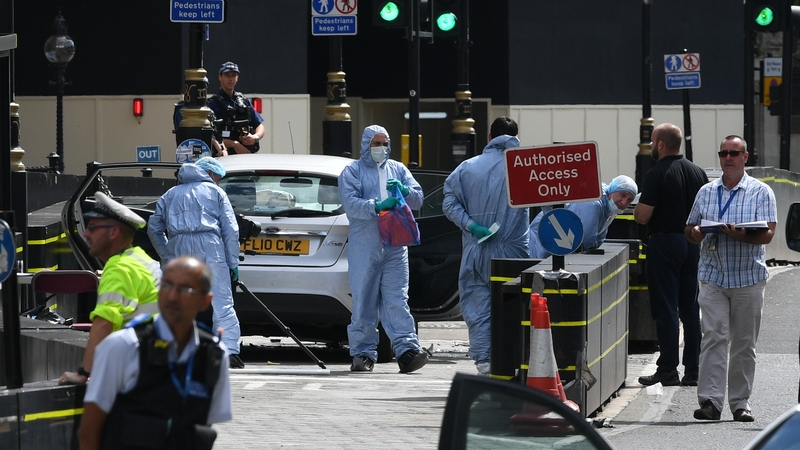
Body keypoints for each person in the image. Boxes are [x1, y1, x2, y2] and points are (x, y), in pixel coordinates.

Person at [78, 256, 232, 450]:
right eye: (166, 285)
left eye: (185, 289)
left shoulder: (214, 355)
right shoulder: (123, 346)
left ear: (205, 301)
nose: (172, 296)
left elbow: (203, 428)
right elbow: (88, 432)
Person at [685, 135, 777, 422]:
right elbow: (690, 228)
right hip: (712, 275)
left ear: (745, 157)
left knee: (743, 343)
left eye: (734, 153)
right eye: (723, 153)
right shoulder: (706, 191)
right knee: (714, 337)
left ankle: (740, 403)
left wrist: (740, 235)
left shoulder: (761, 192)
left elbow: (768, 233)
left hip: (748, 276)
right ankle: (710, 402)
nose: (728, 158)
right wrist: (696, 233)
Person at [338, 124, 429, 373]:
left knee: (397, 298)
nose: (381, 148)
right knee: (363, 299)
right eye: (376, 144)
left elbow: (418, 198)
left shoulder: (398, 169)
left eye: (385, 143)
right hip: (365, 246)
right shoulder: (352, 171)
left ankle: (407, 350)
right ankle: (362, 353)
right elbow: (351, 205)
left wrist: (405, 191)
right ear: (366, 145)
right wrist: (377, 206)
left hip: (395, 245)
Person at [442, 116, 530, 375]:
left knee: (478, 307)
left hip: (477, 248)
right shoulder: (524, 167)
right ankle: (512, 362)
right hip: (513, 252)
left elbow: (449, 203)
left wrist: (471, 225)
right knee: (514, 307)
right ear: (516, 138)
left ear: (490, 137)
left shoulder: (467, 168)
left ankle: (484, 363)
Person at [147, 157, 243, 368]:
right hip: (210, 245)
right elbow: (231, 230)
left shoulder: (170, 194)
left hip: (177, 245)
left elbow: (153, 228)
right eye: (217, 177)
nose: (218, 181)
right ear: (209, 173)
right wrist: (232, 262)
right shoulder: (216, 193)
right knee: (222, 302)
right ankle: (227, 352)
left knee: (177, 300)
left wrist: (166, 254)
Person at [633, 123, 709, 387]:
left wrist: (636, 211)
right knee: (690, 309)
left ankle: (667, 369)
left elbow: (643, 215)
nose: (651, 146)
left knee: (666, 308)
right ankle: (693, 370)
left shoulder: (656, 174)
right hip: (692, 243)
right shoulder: (698, 172)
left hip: (664, 243)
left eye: (653, 142)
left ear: (661, 144)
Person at [59, 192, 161, 385]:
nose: (86, 234)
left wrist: (83, 373)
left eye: (92, 227)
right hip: (155, 366)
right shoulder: (141, 259)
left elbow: (104, 323)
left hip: (133, 373)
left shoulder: (118, 268)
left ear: (113, 232)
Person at [528, 175, 638, 258]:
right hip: (541, 244)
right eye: (622, 195)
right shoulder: (593, 202)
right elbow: (584, 240)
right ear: (612, 191)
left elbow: (597, 241)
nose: (624, 202)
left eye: (629, 200)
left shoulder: (608, 207)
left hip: (556, 249)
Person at [207, 61, 265, 155]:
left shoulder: (243, 100)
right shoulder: (213, 104)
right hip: (224, 156)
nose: (230, 79)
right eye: (227, 75)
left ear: (237, 78)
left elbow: (259, 126)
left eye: (233, 75)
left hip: (246, 155)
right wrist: (234, 144)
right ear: (220, 77)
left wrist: (255, 137)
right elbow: (208, 136)